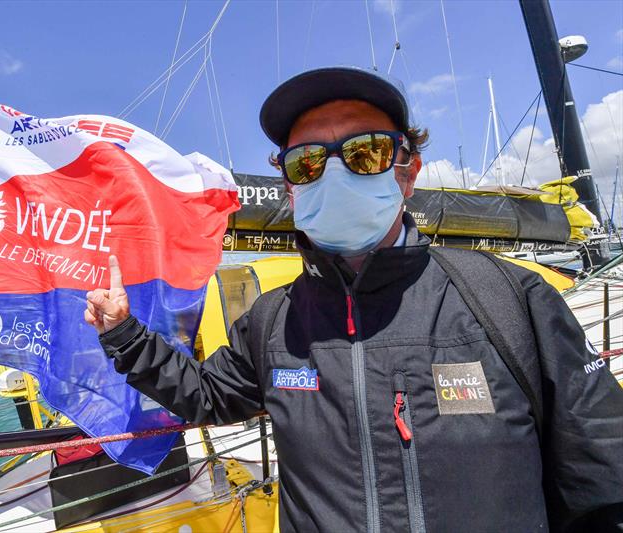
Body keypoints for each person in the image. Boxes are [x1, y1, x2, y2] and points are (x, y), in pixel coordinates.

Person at [84, 67, 623, 532]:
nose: (334, 171)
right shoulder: (274, 321)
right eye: (307, 162)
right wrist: (123, 333)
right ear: (291, 189)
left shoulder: (508, 297)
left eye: (367, 153)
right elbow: (207, 395)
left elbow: (600, 467)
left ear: (407, 173)